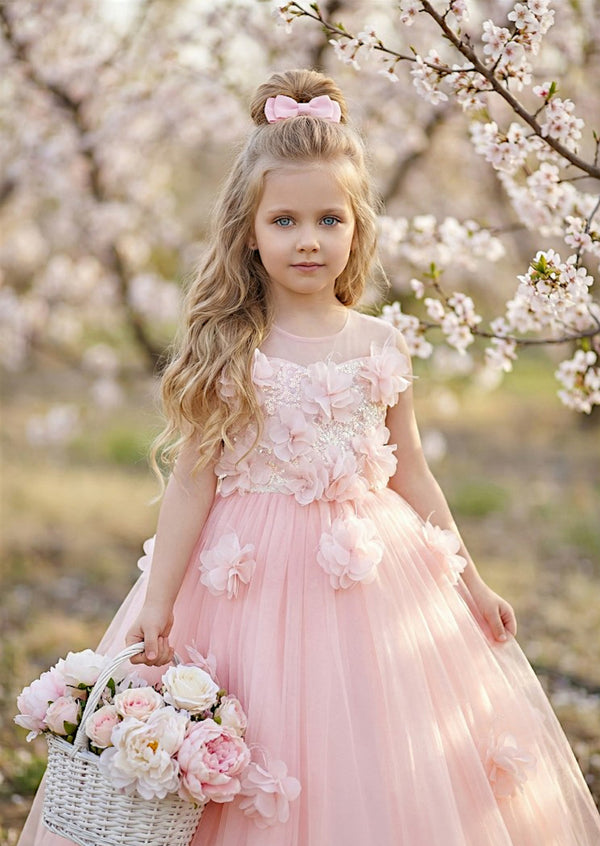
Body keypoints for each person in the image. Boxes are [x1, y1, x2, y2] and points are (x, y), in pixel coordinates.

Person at [18, 68, 600, 846]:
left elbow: (414, 470)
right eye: (285, 220)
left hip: (371, 573)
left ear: (356, 226)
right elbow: (193, 478)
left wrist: (474, 583)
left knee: (369, 740)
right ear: (249, 231)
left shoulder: (380, 342)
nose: (308, 239)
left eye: (329, 218)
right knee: (255, 738)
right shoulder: (233, 344)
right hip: (243, 575)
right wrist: (158, 602)